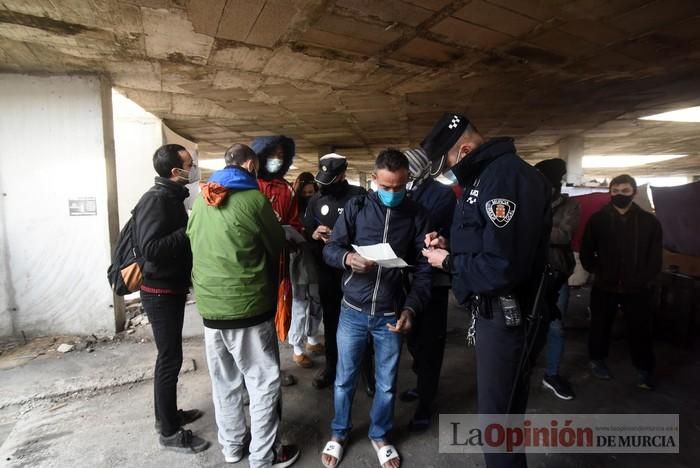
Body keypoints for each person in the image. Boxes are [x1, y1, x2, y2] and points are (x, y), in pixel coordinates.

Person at [421, 113, 551, 468]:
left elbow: (501, 266)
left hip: (508, 315)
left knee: (499, 423)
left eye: (446, 164)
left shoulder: (505, 178)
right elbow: (488, 240)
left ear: (463, 149)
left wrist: (449, 263)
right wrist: (451, 243)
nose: (446, 172)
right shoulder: (486, 176)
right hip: (491, 312)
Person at [186, 144, 300, 467]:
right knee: (263, 383)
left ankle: (232, 447)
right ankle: (264, 456)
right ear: (250, 165)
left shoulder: (203, 199)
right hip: (247, 307)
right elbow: (277, 244)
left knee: (225, 383)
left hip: (210, 310)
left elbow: (192, 240)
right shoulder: (253, 199)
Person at [320, 149, 432, 468]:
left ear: (408, 180)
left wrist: (410, 308)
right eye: (386, 186)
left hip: (390, 314)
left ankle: (380, 434)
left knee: (387, 383)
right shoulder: (356, 207)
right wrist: (346, 259)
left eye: (399, 187)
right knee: (344, 378)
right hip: (352, 310)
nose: (393, 193)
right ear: (374, 179)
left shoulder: (417, 215)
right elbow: (331, 248)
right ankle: (339, 432)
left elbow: (424, 269)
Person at [132, 143, 208, 453]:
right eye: (190, 164)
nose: (194, 168)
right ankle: (168, 431)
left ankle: (168, 415)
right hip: (159, 292)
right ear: (175, 171)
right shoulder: (156, 200)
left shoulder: (172, 198)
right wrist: (189, 229)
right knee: (169, 359)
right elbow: (150, 249)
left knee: (171, 357)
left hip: (171, 289)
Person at [580, 174, 662, 389]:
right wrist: (600, 272)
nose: (619, 195)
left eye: (625, 191)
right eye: (615, 192)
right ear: (610, 193)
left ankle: (645, 369)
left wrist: (643, 278)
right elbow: (587, 252)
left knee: (641, 329)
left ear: (634, 192)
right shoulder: (598, 220)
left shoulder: (648, 222)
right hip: (605, 285)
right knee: (599, 326)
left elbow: (654, 257)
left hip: (637, 288)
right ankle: (597, 360)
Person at [399, 147, 456, 431]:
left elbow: (440, 233)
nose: (402, 176)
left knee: (430, 341)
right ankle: (422, 386)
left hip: (433, 279)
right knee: (413, 339)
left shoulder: (442, 195)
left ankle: (426, 403)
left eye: (407, 170)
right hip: (404, 277)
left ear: (419, 170)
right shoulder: (400, 192)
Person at [302, 153, 366, 389]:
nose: (324, 184)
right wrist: (314, 233)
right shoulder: (316, 200)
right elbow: (306, 230)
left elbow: (372, 229)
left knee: (362, 321)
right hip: (328, 272)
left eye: (330, 179)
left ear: (342, 175)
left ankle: (366, 371)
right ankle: (332, 366)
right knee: (331, 321)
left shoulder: (359, 196)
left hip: (357, 271)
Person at [251, 135, 301, 386]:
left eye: (281, 156)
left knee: (273, 317)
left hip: (278, 264)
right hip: (251, 265)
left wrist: (290, 233)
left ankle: (271, 371)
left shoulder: (285, 188)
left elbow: (294, 221)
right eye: (272, 155)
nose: (277, 161)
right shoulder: (248, 186)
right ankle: (252, 376)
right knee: (253, 323)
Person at [534, 158, 580, 400]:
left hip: (557, 275)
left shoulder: (570, 206)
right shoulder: (528, 203)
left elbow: (563, 235)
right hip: (529, 275)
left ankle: (552, 374)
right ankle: (522, 366)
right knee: (526, 324)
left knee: (556, 326)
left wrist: (532, 227)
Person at [288, 172, 323, 367]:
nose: (309, 195)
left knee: (317, 303)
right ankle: (297, 348)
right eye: (305, 192)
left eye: (312, 192)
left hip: (317, 262)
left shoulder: (319, 208)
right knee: (300, 306)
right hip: (299, 264)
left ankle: (312, 339)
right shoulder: (292, 210)